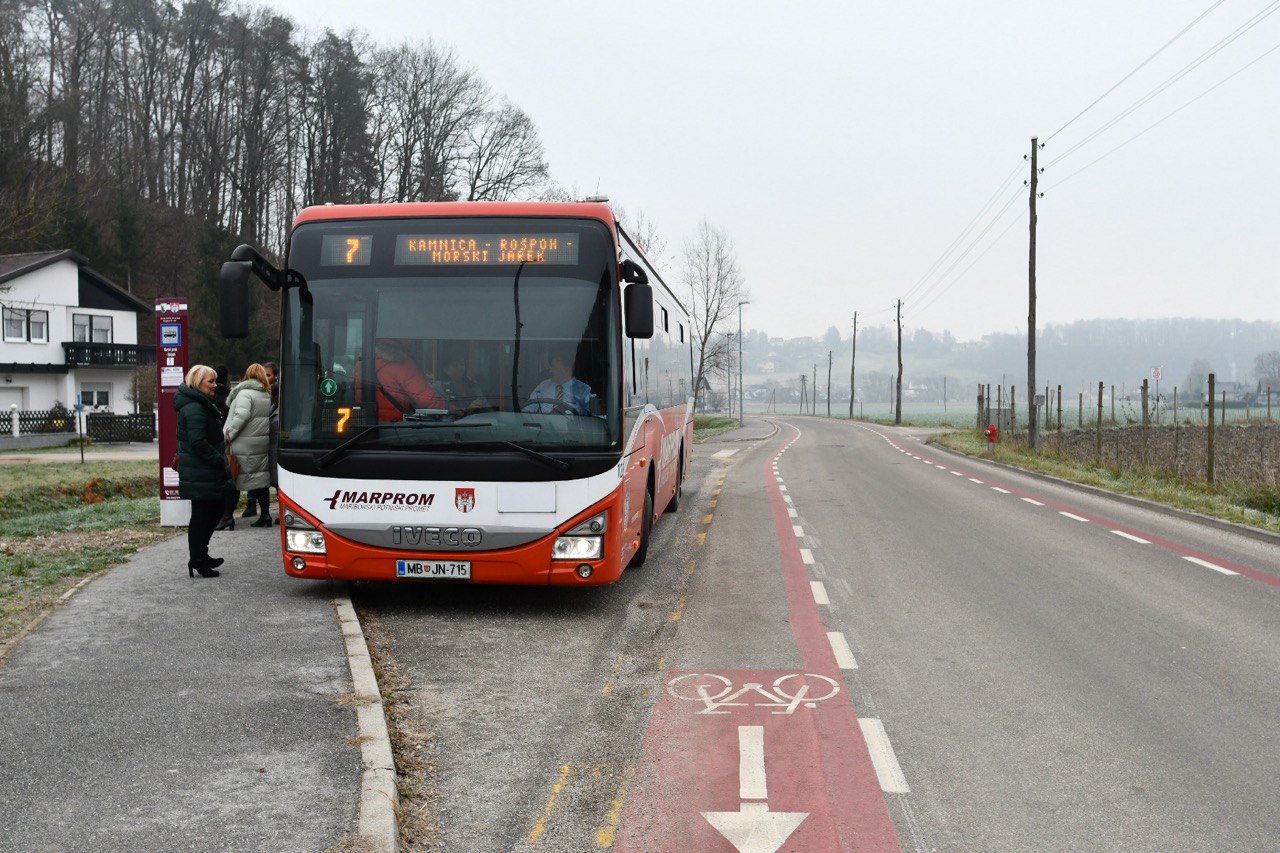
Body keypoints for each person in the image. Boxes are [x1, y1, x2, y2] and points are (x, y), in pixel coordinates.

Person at [175, 365, 232, 578]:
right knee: (202, 515)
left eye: (215, 381)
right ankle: (197, 559)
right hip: (202, 469)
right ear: (197, 383)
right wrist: (218, 460)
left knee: (213, 509)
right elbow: (198, 442)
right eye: (210, 381)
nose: (215, 385)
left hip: (203, 469)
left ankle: (201, 554)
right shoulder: (194, 407)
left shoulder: (198, 403)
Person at [224, 363, 274, 527]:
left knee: (234, 479)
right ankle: (265, 515)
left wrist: (228, 434)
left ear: (248, 375)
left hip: (242, 444)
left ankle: (227, 518)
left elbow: (242, 415)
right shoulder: (266, 394)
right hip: (259, 444)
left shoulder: (245, 393)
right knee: (259, 480)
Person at [371, 338, 449, 421]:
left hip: (371, 427)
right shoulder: (401, 363)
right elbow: (426, 400)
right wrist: (457, 410)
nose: (412, 340)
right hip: (396, 427)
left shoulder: (363, 364)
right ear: (400, 338)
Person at [242, 361, 280, 520]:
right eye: (263, 374)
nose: (264, 378)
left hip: (272, 446)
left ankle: (278, 509)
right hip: (261, 444)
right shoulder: (260, 394)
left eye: (268, 375)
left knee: (277, 480)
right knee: (258, 477)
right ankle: (253, 504)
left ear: (276, 377)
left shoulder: (276, 393)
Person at [525, 348, 593, 413]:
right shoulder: (543, 385)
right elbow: (527, 410)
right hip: (544, 424)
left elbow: (587, 418)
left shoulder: (584, 390)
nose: (550, 371)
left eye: (554, 367)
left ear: (567, 370)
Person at [438, 345, 489, 411]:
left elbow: (487, 407)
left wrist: (483, 407)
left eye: (462, 364)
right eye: (455, 365)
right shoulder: (438, 388)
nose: (460, 368)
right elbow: (442, 411)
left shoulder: (473, 385)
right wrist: (467, 411)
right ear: (445, 369)